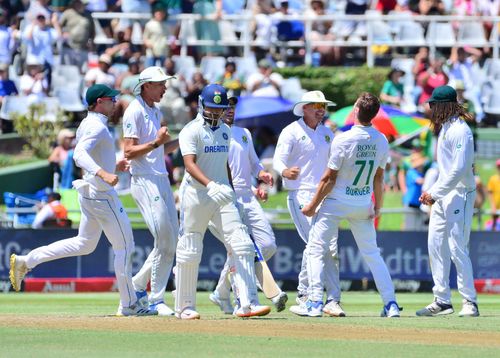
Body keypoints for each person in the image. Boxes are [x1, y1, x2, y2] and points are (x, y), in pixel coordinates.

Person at [9, 84, 156, 316]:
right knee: (125, 247)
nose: (115, 102)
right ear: (99, 102)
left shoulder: (90, 123)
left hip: (90, 193)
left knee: (84, 244)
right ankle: (128, 305)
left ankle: (27, 261)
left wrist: (112, 165)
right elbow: (79, 155)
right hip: (101, 194)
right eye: (111, 99)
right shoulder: (96, 126)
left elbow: (90, 153)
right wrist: (104, 173)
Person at [296, 92, 402, 318]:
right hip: (363, 202)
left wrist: (312, 205)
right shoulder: (381, 139)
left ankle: (315, 302)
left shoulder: (342, 139)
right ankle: (390, 303)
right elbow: (379, 178)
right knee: (373, 254)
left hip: (336, 202)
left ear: (356, 111)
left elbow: (328, 178)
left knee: (315, 250)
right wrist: (378, 207)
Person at [176, 83, 270, 319]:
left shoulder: (226, 132)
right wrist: (210, 184)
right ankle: (185, 307)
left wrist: (230, 190)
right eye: (211, 108)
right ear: (201, 105)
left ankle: (246, 304)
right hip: (197, 195)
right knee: (190, 248)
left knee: (242, 243)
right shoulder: (191, 130)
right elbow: (189, 164)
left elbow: (225, 164)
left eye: (219, 109)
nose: (216, 113)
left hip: (223, 195)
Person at [207, 96, 288, 314]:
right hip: (225, 198)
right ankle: (242, 300)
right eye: (226, 107)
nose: (230, 110)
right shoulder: (211, 136)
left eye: (233, 106)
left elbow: (253, 164)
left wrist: (261, 176)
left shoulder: (244, 134)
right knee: (240, 249)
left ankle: (221, 290)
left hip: (247, 197)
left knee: (268, 244)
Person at [273, 90, 343, 317]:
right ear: (304, 107)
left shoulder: (326, 133)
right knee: (316, 244)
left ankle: (331, 299)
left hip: (323, 195)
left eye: (323, 105)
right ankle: (307, 296)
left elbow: (334, 164)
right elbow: (278, 159)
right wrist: (284, 171)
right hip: (299, 194)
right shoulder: (291, 131)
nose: (321, 109)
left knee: (328, 248)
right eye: (316, 105)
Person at [417, 85, 479, 317]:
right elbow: (446, 170)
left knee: (457, 248)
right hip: (444, 195)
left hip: (460, 194)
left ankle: (469, 301)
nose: (430, 108)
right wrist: (432, 191)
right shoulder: (445, 128)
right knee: (435, 246)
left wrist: (434, 193)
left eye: (433, 105)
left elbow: (460, 170)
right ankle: (442, 300)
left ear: (443, 106)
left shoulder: (460, 130)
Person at [122, 66, 179, 316]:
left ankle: (136, 286)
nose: (165, 88)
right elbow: (129, 151)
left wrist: (185, 139)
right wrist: (157, 142)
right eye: (159, 84)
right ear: (146, 86)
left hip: (161, 179)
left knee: (171, 239)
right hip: (144, 181)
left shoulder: (155, 111)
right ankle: (155, 298)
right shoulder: (134, 110)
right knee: (164, 238)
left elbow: (159, 150)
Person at [487, 159, 500, 231]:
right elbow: (490, 193)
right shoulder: (493, 179)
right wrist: (493, 206)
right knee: (494, 226)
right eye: (499, 167)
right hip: (496, 206)